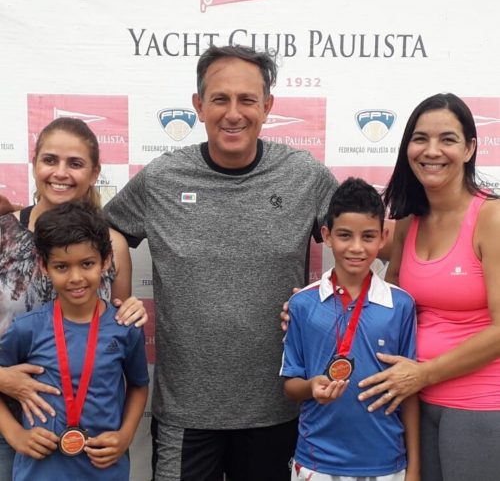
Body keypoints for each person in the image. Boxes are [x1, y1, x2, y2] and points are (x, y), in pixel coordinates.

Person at [103, 44, 339, 481]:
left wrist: (322, 304)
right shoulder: (162, 178)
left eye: (247, 100)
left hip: (276, 407)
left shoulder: (303, 175)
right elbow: (105, 230)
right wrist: (121, 298)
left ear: (267, 106)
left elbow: (361, 236)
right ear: (198, 105)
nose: (234, 113)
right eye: (220, 99)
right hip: (186, 412)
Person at [356, 93, 500, 481]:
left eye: (447, 139)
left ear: (469, 148)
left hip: (480, 406)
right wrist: (310, 312)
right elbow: (384, 305)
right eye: (420, 139)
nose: (431, 151)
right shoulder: (408, 222)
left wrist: (425, 373)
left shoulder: (491, 218)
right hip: (415, 403)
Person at [0, 117, 147, 480]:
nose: (61, 173)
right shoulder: (3, 233)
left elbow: (115, 328)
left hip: (84, 435)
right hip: (11, 429)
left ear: (95, 172)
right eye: (50, 160)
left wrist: (131, 310)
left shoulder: (112, 244)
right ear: (34, 164)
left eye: (75, 163)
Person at [280, 177, 419, 481]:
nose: (356, 248)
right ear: (327, 236)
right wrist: (311, 387)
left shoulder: (401, 305)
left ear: (383, 237)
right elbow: (290, 386)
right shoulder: (302, 304)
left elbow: (410, 392)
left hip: (386, 462)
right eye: (345, 235)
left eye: (368, 236)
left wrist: (415, 468)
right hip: (316, 463)